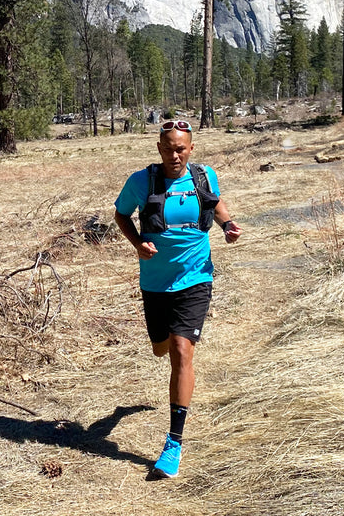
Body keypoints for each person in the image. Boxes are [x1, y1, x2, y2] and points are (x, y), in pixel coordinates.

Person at [114, 119, 241, 478]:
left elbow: (215, 205)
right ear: (159, 148)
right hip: (155, 283)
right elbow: (121, 215)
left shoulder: (204, 176)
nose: (174, 155)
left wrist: (227, 225)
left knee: (182, 351)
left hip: (196, 277)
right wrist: (138, 243)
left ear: (191, 148)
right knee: (161, 347)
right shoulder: (141, 182)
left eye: (181, 148)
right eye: (168, 147)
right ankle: (160, 348)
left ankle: (173, 442)